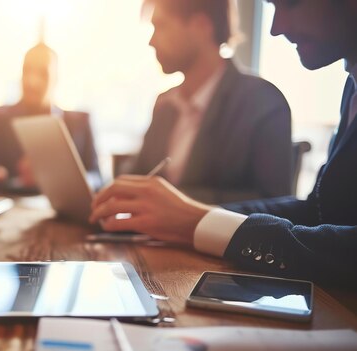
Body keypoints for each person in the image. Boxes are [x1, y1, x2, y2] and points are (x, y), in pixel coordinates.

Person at [91, 0, 357, 288]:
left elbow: (290, 203)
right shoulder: (351, 88)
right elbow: (318, 210)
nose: (274, 28)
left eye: (290, 4)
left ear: (201, 25)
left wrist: (189, 214)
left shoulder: (261, 101)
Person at [124, 0, 292, 204]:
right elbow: (139, 178)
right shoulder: (165, 105)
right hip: (151, 236)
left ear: (201, 26)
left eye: (161, 26)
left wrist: (175, 203)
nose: (151, 41)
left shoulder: (263, 103)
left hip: (213, 237)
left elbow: (274, 203)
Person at [0, 42, 101, 196]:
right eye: (27, 71)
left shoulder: (80, 123)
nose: (32, 81)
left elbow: (97, 178)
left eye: (42, 73)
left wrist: (63, 179)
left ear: (56, 78)